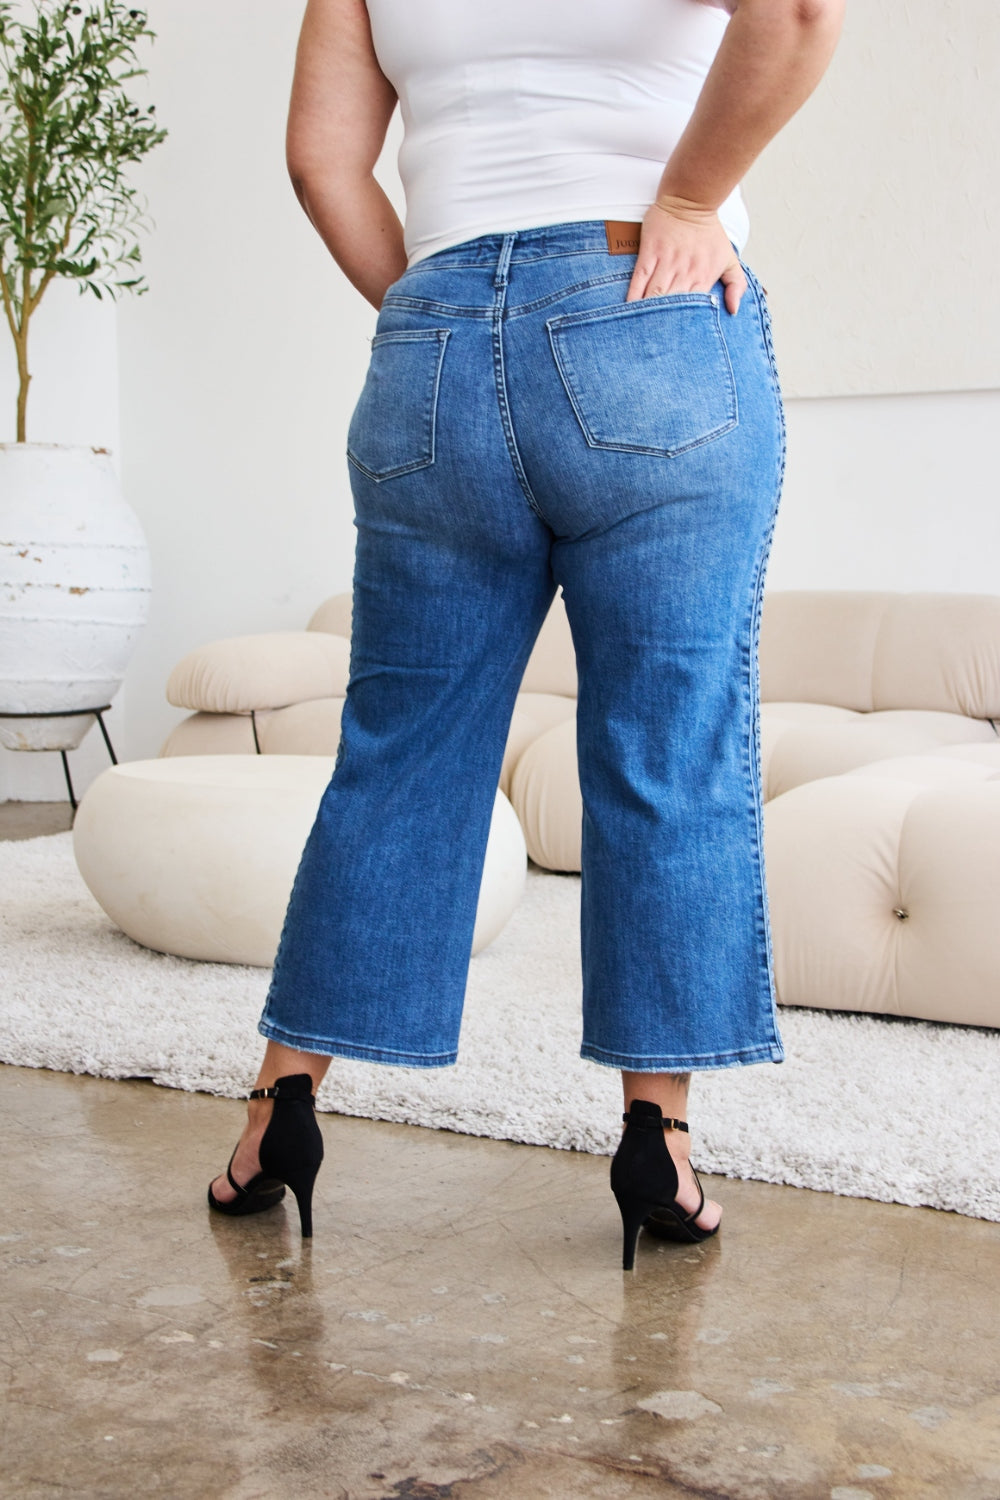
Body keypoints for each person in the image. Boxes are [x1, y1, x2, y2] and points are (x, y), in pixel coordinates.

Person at [208, 0, 843, 1267]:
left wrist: (441, 316)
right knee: (666, 749)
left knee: (397, 756)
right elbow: (797, 13)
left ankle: (279, 1110)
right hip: (642, 308)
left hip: (431, 334)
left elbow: (320, 158)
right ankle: (655, 1138)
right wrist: (686, 198)